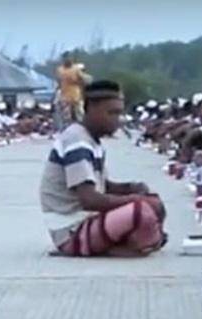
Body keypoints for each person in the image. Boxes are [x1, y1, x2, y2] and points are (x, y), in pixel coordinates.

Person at [40, 81, 166, 258]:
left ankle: (137, 241)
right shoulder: (77, 141)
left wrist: (130, 188)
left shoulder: (91, 140)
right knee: (141, 211)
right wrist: (135, 199)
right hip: (71, 230)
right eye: (112, 113)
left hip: (85, 221)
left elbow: (101, 186)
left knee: (152, 202)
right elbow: (90, 200)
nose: (118, 119)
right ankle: (130, 244)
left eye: (119, 113)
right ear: (91, 108)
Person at [56, 54, 86, 130]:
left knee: (79, 114)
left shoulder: (76, 69)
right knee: (66, 115)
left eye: (69, 58)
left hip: (75, 95)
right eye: (66, 59)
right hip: (65, 96)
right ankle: (67, 129)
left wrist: (78, 82)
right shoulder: (60, 70)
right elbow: (59, 81)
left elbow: (83, 80)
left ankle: (82, 128)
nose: (68, 60)